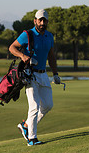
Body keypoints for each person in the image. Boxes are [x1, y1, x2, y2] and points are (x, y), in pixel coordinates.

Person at [9, 9, 61, 146]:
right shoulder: (27, 34)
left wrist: (55, 74)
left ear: (47, 21)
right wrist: (23, 56)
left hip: (44, 74)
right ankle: (32, 138)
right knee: (34, 106)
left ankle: (25, 125)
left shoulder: (49, 36)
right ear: (35, 21)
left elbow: (51, 56)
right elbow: (12, 47)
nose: (42, 22)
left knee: (48, 105)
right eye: (40, 20)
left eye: (45, 20)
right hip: (30, 74)